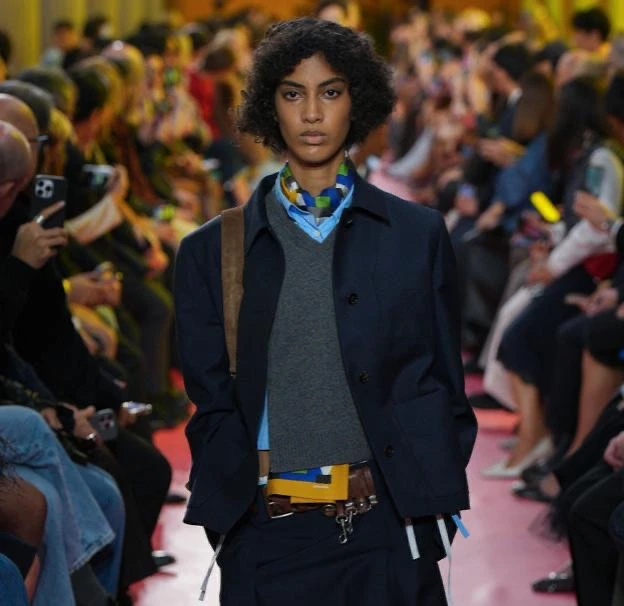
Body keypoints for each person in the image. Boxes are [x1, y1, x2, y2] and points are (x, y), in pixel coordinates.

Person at [175, 17, 476, 605]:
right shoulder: (211, 251)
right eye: (293, 94)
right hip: (267, 537)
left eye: (330, 92)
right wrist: (238, 523)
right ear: (269, 107)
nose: (312, 113)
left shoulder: (416, 235)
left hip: (390, 531)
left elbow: (443, 382)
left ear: (356, 101)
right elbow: (211, 401)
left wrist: (423, 490)